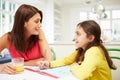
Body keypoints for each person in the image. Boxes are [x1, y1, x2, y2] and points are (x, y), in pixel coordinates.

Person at [37, 20, 116, 80]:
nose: (74, 38)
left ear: (91, 38)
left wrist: (74, 66)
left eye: (78, 34)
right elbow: (66, 60)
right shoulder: (81, 50)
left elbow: (83, 74)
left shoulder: (94, 51)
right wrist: (49, 64)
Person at [0, 4, 53, 74]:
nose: (40, 25)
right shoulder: (8, 38)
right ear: (24, 23)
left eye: (40, 21)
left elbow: (49, 59)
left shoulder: (39, 33)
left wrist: (22, 63)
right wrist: (1, 67)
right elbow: (43, 60)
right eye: (36, 21)